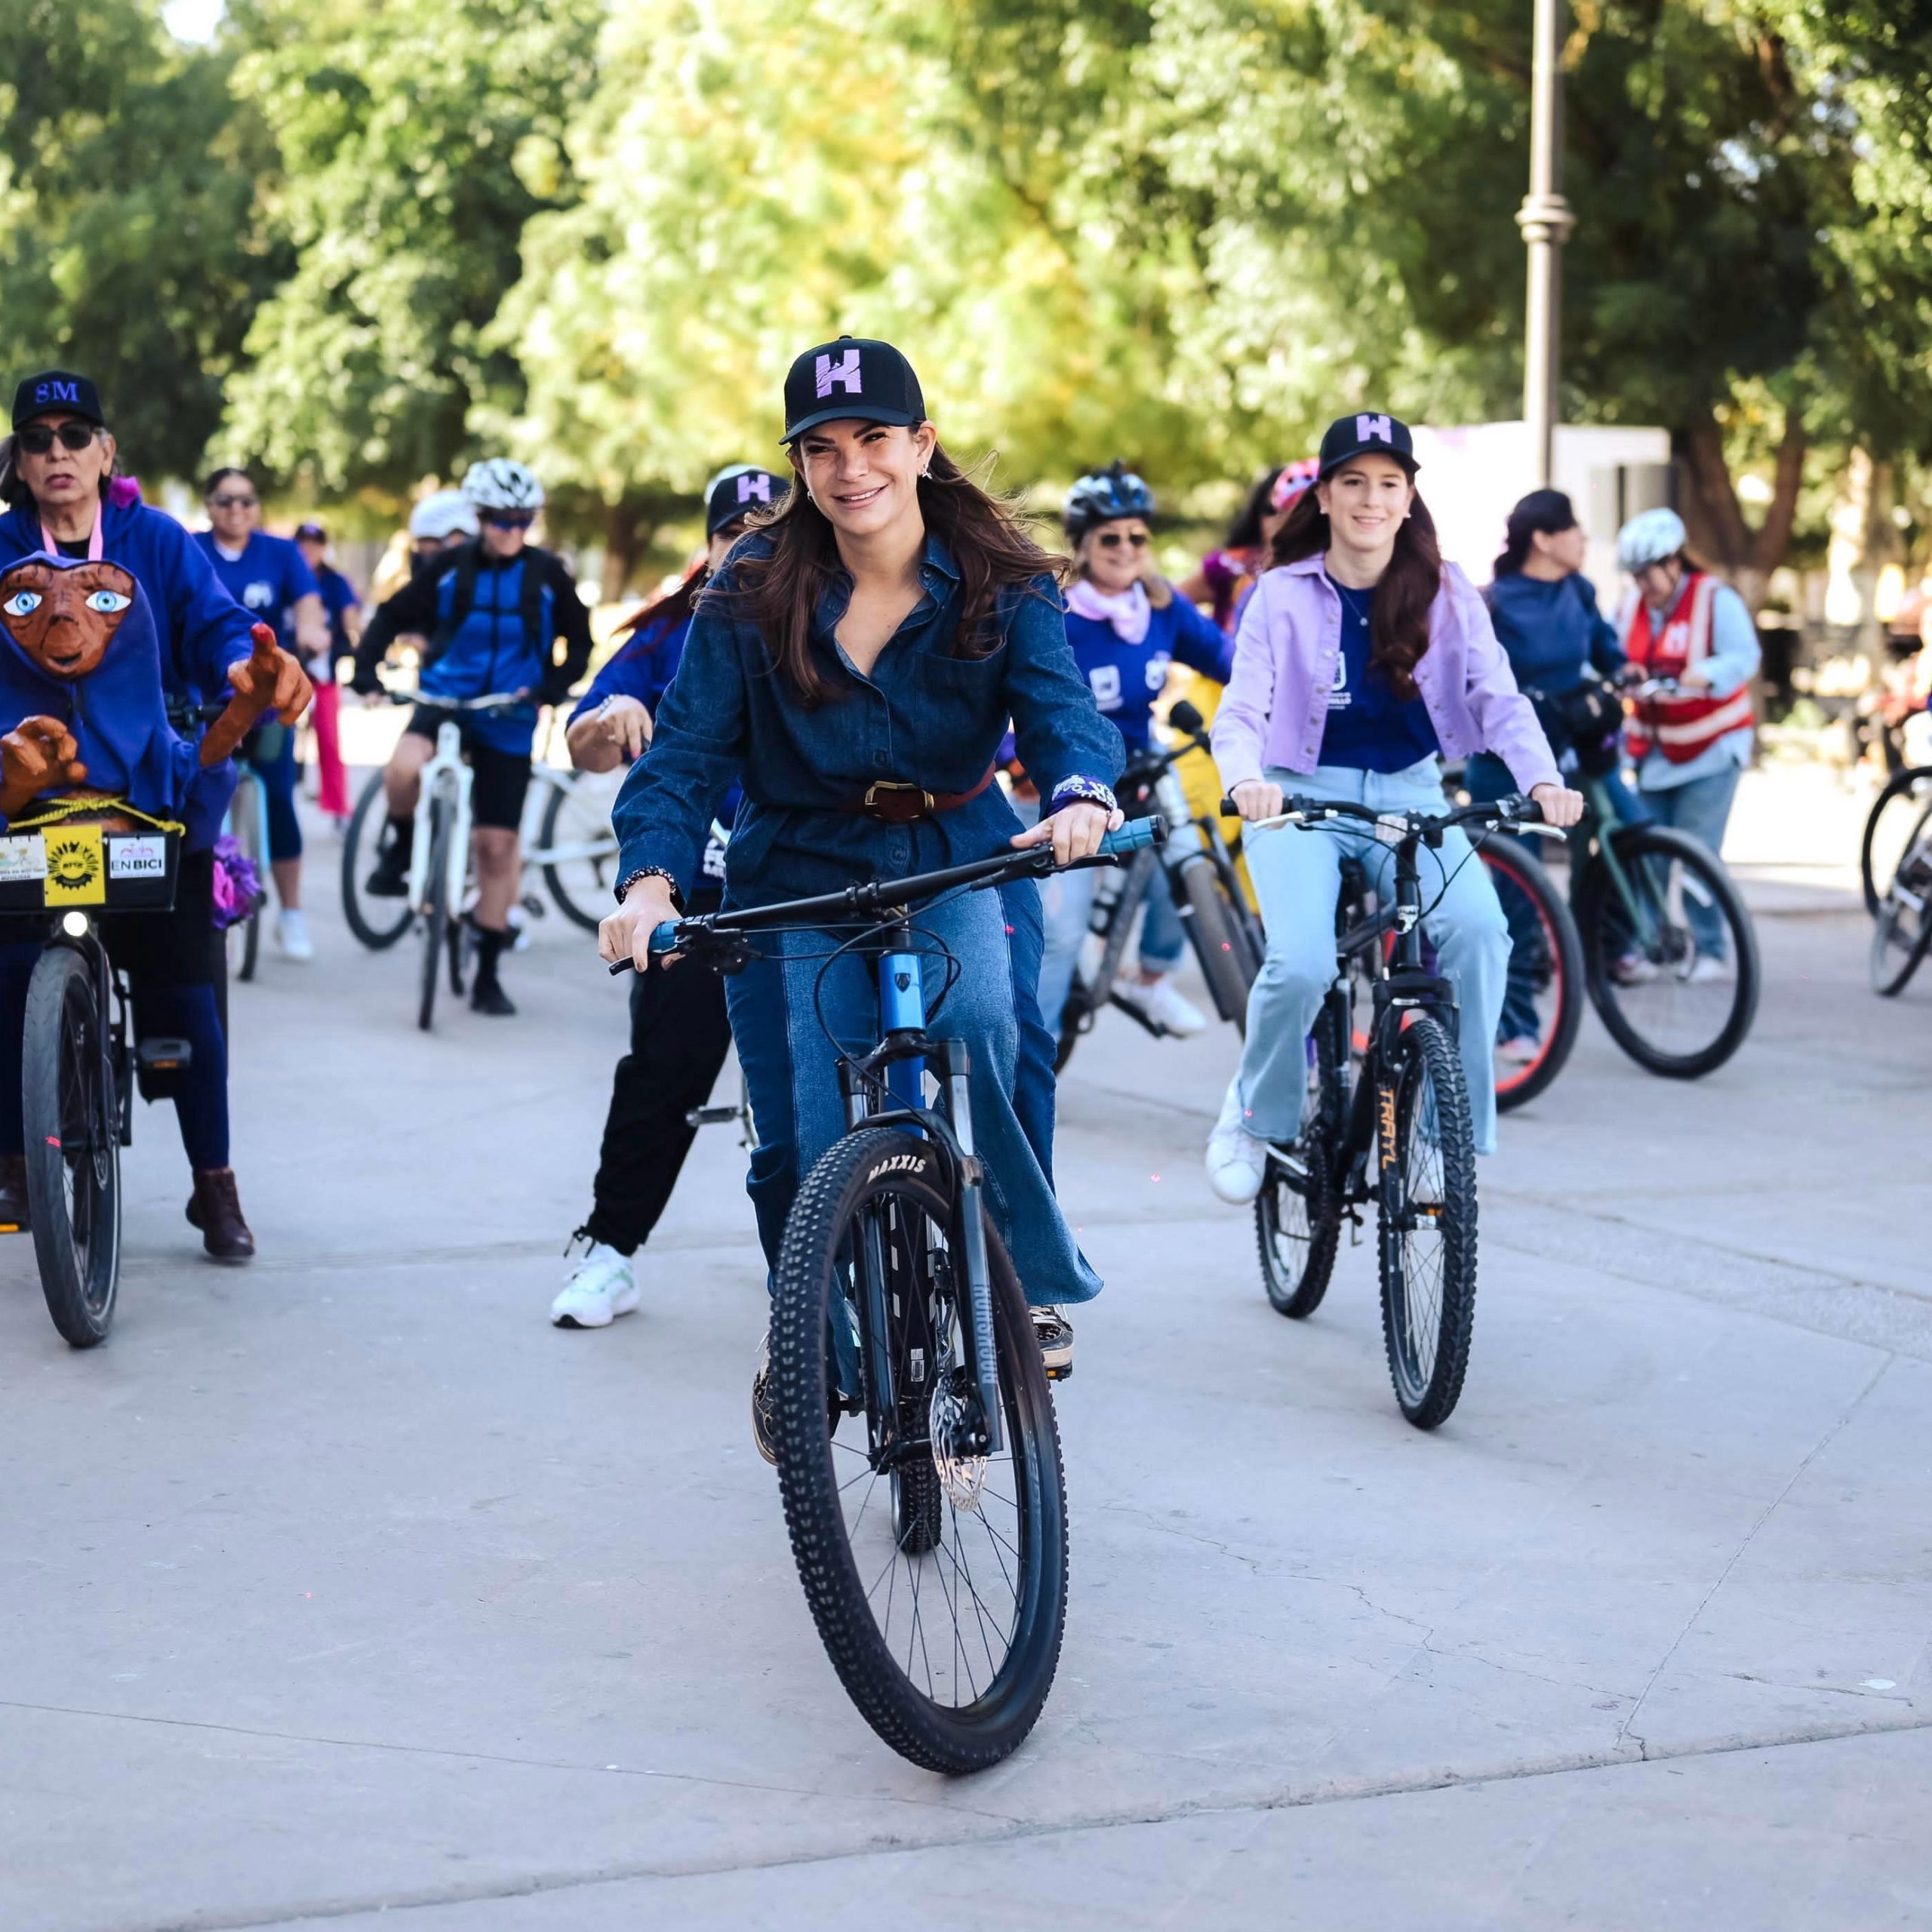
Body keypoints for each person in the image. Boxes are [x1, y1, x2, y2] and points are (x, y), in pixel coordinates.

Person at [598, 335, 1123, 1441]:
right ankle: (814, 1339)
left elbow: (1063, 710)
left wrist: (1080, 792)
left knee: (991, 1020)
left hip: (956, 850)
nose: (850, 469)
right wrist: (649, 887)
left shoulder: (1007, 579)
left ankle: (1020, 1281)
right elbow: (685, 754)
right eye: (821, 448)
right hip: (795, 867)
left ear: (921, 445)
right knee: (793, 1136)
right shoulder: (749, 585)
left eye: (874, 439)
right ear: (798, 465)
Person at [1208, 411, 1582, 1204]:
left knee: (1481, 932)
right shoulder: (1279, 593)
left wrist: (1542, 779)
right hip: (1297, 792)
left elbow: (1497, 695)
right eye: (1353, 483)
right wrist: (1245, 779)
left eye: (1388, 484)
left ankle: (1448, 1137)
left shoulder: (1447, 592)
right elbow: (1242, 709)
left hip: (1408, 791)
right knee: (1303, 960)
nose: (1370, 500)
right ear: (1326, 496)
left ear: (1409, 499)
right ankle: (1251, 1115)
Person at [0, 369, 311, 1256]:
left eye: (75, 435)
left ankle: (212, 1182)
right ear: (20, 463)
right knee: (10, 967)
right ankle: (14, 1157)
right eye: (38, 440)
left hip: (145, 807)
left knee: (183, 984)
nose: (57, 452)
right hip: (21, 815)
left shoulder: (159, 541)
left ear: (107, 452)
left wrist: (246, 672)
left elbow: (218, 630)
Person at [552, 464, 789, 1328]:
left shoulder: (835, 614)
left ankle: (835, 1259)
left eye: (771, 530)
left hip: (810, 888)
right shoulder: (671, 634)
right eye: (735, 533)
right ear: (709, 545)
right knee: (662, 1072)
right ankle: (611, 1250)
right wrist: (608, 718)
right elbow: (585, 735)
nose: (752, 550)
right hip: (700, 898)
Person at [350, 458, 593, 1017]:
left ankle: (487, 970)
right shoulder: (449, 568)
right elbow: (390, 615)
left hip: (507, 714)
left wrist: (552, 687)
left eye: (522, 520)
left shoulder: (548, 574)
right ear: (480, 518)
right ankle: (403, 848)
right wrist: (366, 670)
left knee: (497, 846)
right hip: (444, 700)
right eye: (501, 520)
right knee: (402, 770)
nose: (512, 530)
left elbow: (578, 642)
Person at [1032, 461, 1232, 1039]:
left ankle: (1148, 977)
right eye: (1110, 538)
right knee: (1062, 934)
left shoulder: (1161, 607)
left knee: (1190, 860)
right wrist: (1017, 756)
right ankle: (1030, 1060)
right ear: (1083, 545)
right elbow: (1009, 691)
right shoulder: (1054, 612)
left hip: (1143, 763)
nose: (1125, 548)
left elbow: (1228, 660)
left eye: (1136, 537)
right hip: (1065, 774)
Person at [1466, 488, 1634, 1054]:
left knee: (1632, 831)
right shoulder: (1494, 604)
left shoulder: (1579, 590)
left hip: (1577, 749)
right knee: (1523, 896)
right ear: (1543, 539)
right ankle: (1515, 1024)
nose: (1584, 538)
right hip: (1507, 765)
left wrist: (1626, 672)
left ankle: (1607, 938)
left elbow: (1608, 652)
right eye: (1575, 528)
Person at [1614, 507, 1761, 975]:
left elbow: (1744, 656)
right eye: (1636, 575)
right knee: (1650, 854)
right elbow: (1614, 655)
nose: (1643, 584)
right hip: (1655, 753)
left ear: (1675, 562)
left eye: (1649, 572)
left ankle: (1712, 950)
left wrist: (1708, 674)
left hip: (1712, 749)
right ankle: (1652, 947)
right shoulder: (1629, 608)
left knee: (1698, 853)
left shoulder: (1715, 599)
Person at [192, 470, 331, 961]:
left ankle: (291, 914)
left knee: (277, 797)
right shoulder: (190, 549)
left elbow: (309, 605)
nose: (236, 510)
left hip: (267, 705)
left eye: (246, 501)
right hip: (203, 705)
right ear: (208, 505)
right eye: (225, 501)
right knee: (197, 803)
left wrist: (313, 633)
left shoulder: (281, 552)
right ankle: (203, 909)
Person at [1179, 460, 1319, 635]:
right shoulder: (1231, 565)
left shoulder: (1334, 571)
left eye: (1298, 512)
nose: (1281, 519)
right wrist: (1212, 644)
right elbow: (1170, 601)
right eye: (1272, 510)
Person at [294, 521, 359, 827]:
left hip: (322, 673)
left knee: (329, 739)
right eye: (303, 543)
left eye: (315, 543)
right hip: (286, 669)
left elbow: (351, 619)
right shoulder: (287, 574)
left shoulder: (335, 582)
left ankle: (337, 807)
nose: (309, 550)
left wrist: (358, 646)